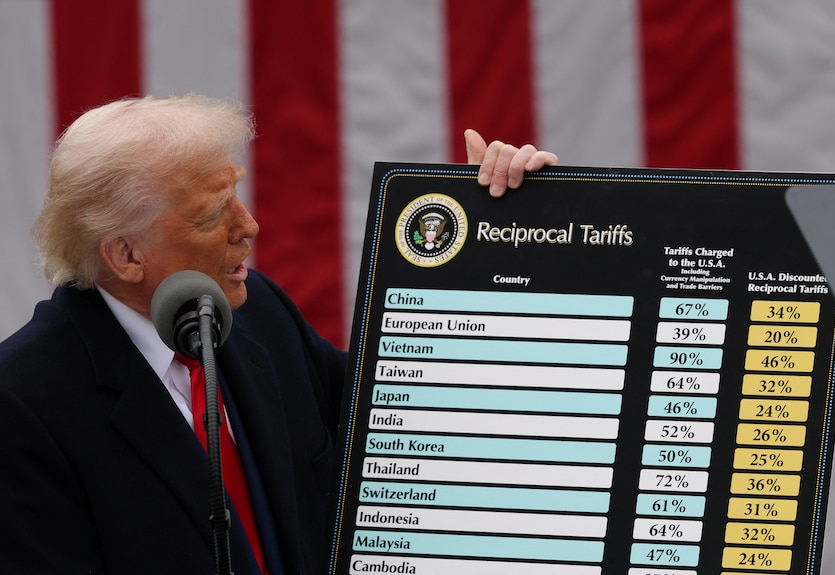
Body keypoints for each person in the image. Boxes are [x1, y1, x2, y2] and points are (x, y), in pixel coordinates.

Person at [0, 93, 558, 575]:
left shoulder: (257, 310)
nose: (248, 226)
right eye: (213, 213)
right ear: (125, 255)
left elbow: (411, 424)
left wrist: (496, 242)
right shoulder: (23, 402)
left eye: (235, 195)